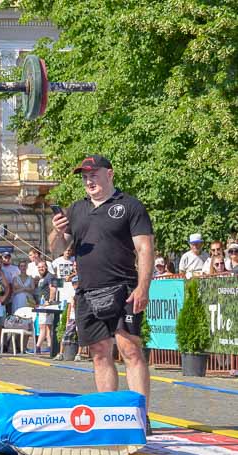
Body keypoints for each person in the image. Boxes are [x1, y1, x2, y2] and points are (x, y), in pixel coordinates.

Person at [49, 154, 154, 435]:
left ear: (110, 174)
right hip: (87, 290)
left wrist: (144, 286)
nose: (88, 180)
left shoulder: (129, 206)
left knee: (130, 349)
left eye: (93, 174)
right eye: (84, 176)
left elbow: (145, 249)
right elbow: (57, 248)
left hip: (124, 288)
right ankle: (109, 415)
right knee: (98, 353)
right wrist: (57, 232)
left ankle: (140, 416)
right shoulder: (77, 209)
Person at [54, 276, 83, 362]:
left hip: (80, 317)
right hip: (72, 317)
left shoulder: (82, 294)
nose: (75, 285)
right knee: (66, 335)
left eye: (77, 283)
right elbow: (69, 307)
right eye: (74, 284)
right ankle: (61, 353)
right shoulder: (72, 294)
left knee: (80, 335)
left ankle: (79, 354)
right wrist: (67, 320)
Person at [33, 261, 56, 354]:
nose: (40, 269)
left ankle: (38, 347)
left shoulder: (49, 276)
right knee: (46, 327)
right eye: (39, 267)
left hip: (47, 306)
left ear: (46, 267)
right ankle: (50, 347)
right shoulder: (41, 278)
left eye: (42, 267)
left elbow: (53, 288)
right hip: (41, 305)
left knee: (44, 326)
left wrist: (50, 301)